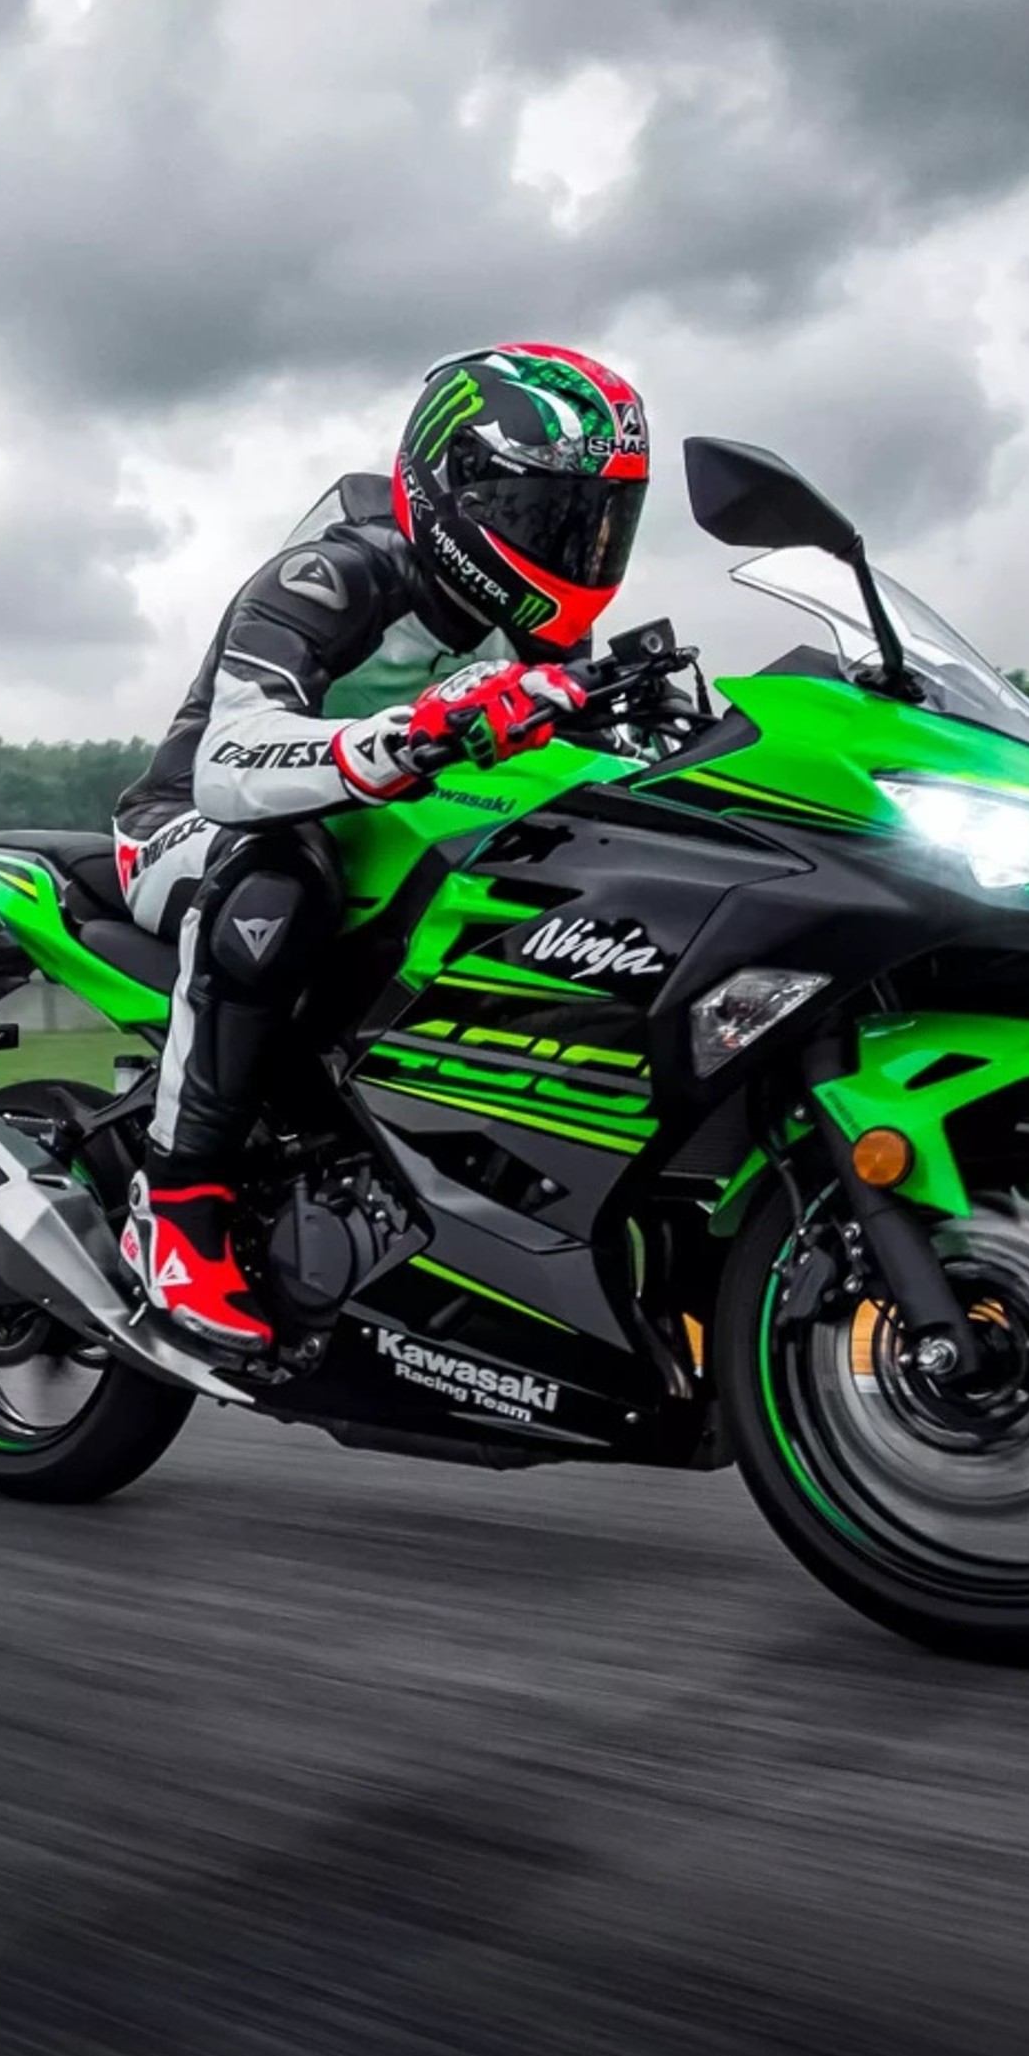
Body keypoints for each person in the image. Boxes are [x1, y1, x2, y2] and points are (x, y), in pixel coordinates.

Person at [112, 343, 651, 1352]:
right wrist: (410, 735)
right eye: (551, 518)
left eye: (599, 522)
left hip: (385, 839)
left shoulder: (540, 637)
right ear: (457, 488)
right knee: (281, 876)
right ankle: (175, 1211)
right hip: (187, 827)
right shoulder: (334, 574)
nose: (579, 547)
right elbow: (230, 762)